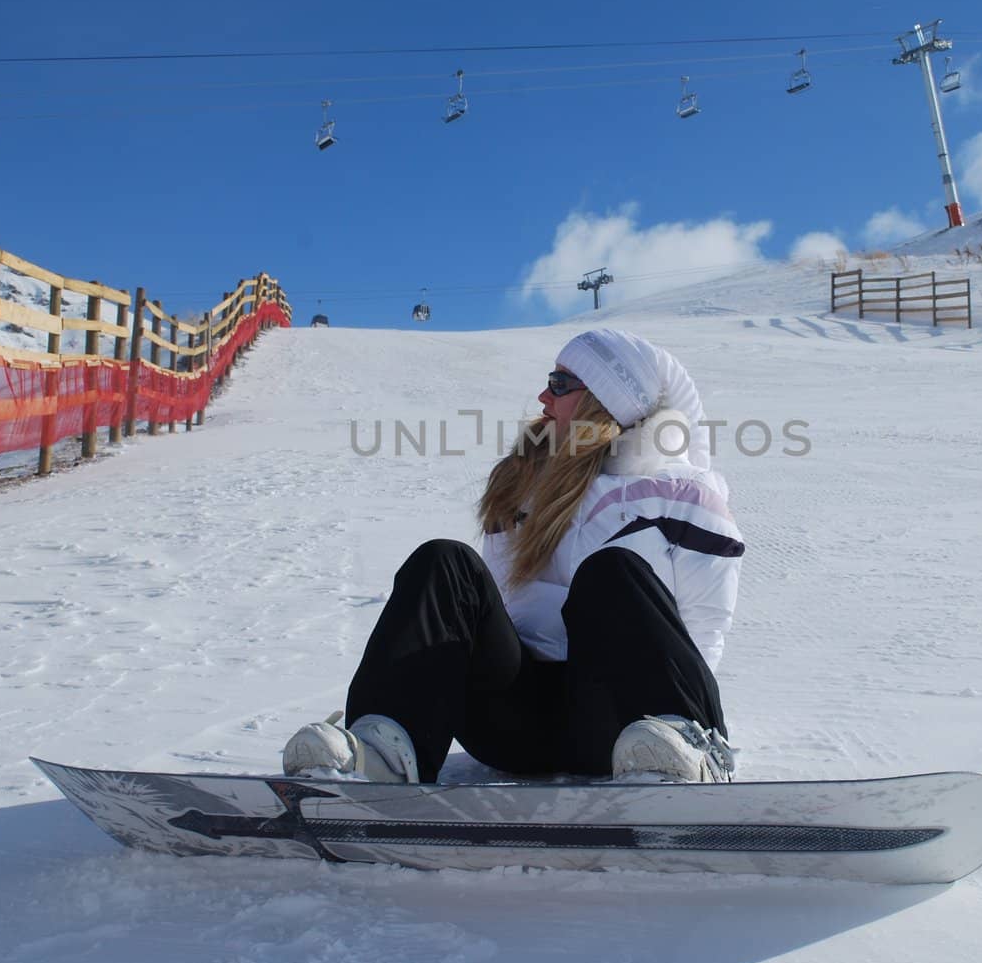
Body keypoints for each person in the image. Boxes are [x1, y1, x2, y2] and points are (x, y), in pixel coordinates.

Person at [283, 328, 745, 784]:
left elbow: (705, 627)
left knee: (612, 572)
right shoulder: (523, 482)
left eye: (560, 383)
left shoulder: (682, 496)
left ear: (602, 402)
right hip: (515, 722)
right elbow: (497, 610)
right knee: (445, 561)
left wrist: (671, 719)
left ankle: (686, 747)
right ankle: (381, 752)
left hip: (625, 724)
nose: (544, 396)